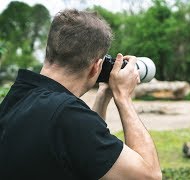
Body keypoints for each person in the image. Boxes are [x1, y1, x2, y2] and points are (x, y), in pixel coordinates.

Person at [0, 9, 162, 180]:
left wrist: (103, 95)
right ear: (96, 67)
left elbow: (86, 151)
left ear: (49, 51)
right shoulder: (66, 114)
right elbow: (150, 176)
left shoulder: (19, 94)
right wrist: (123, 97)